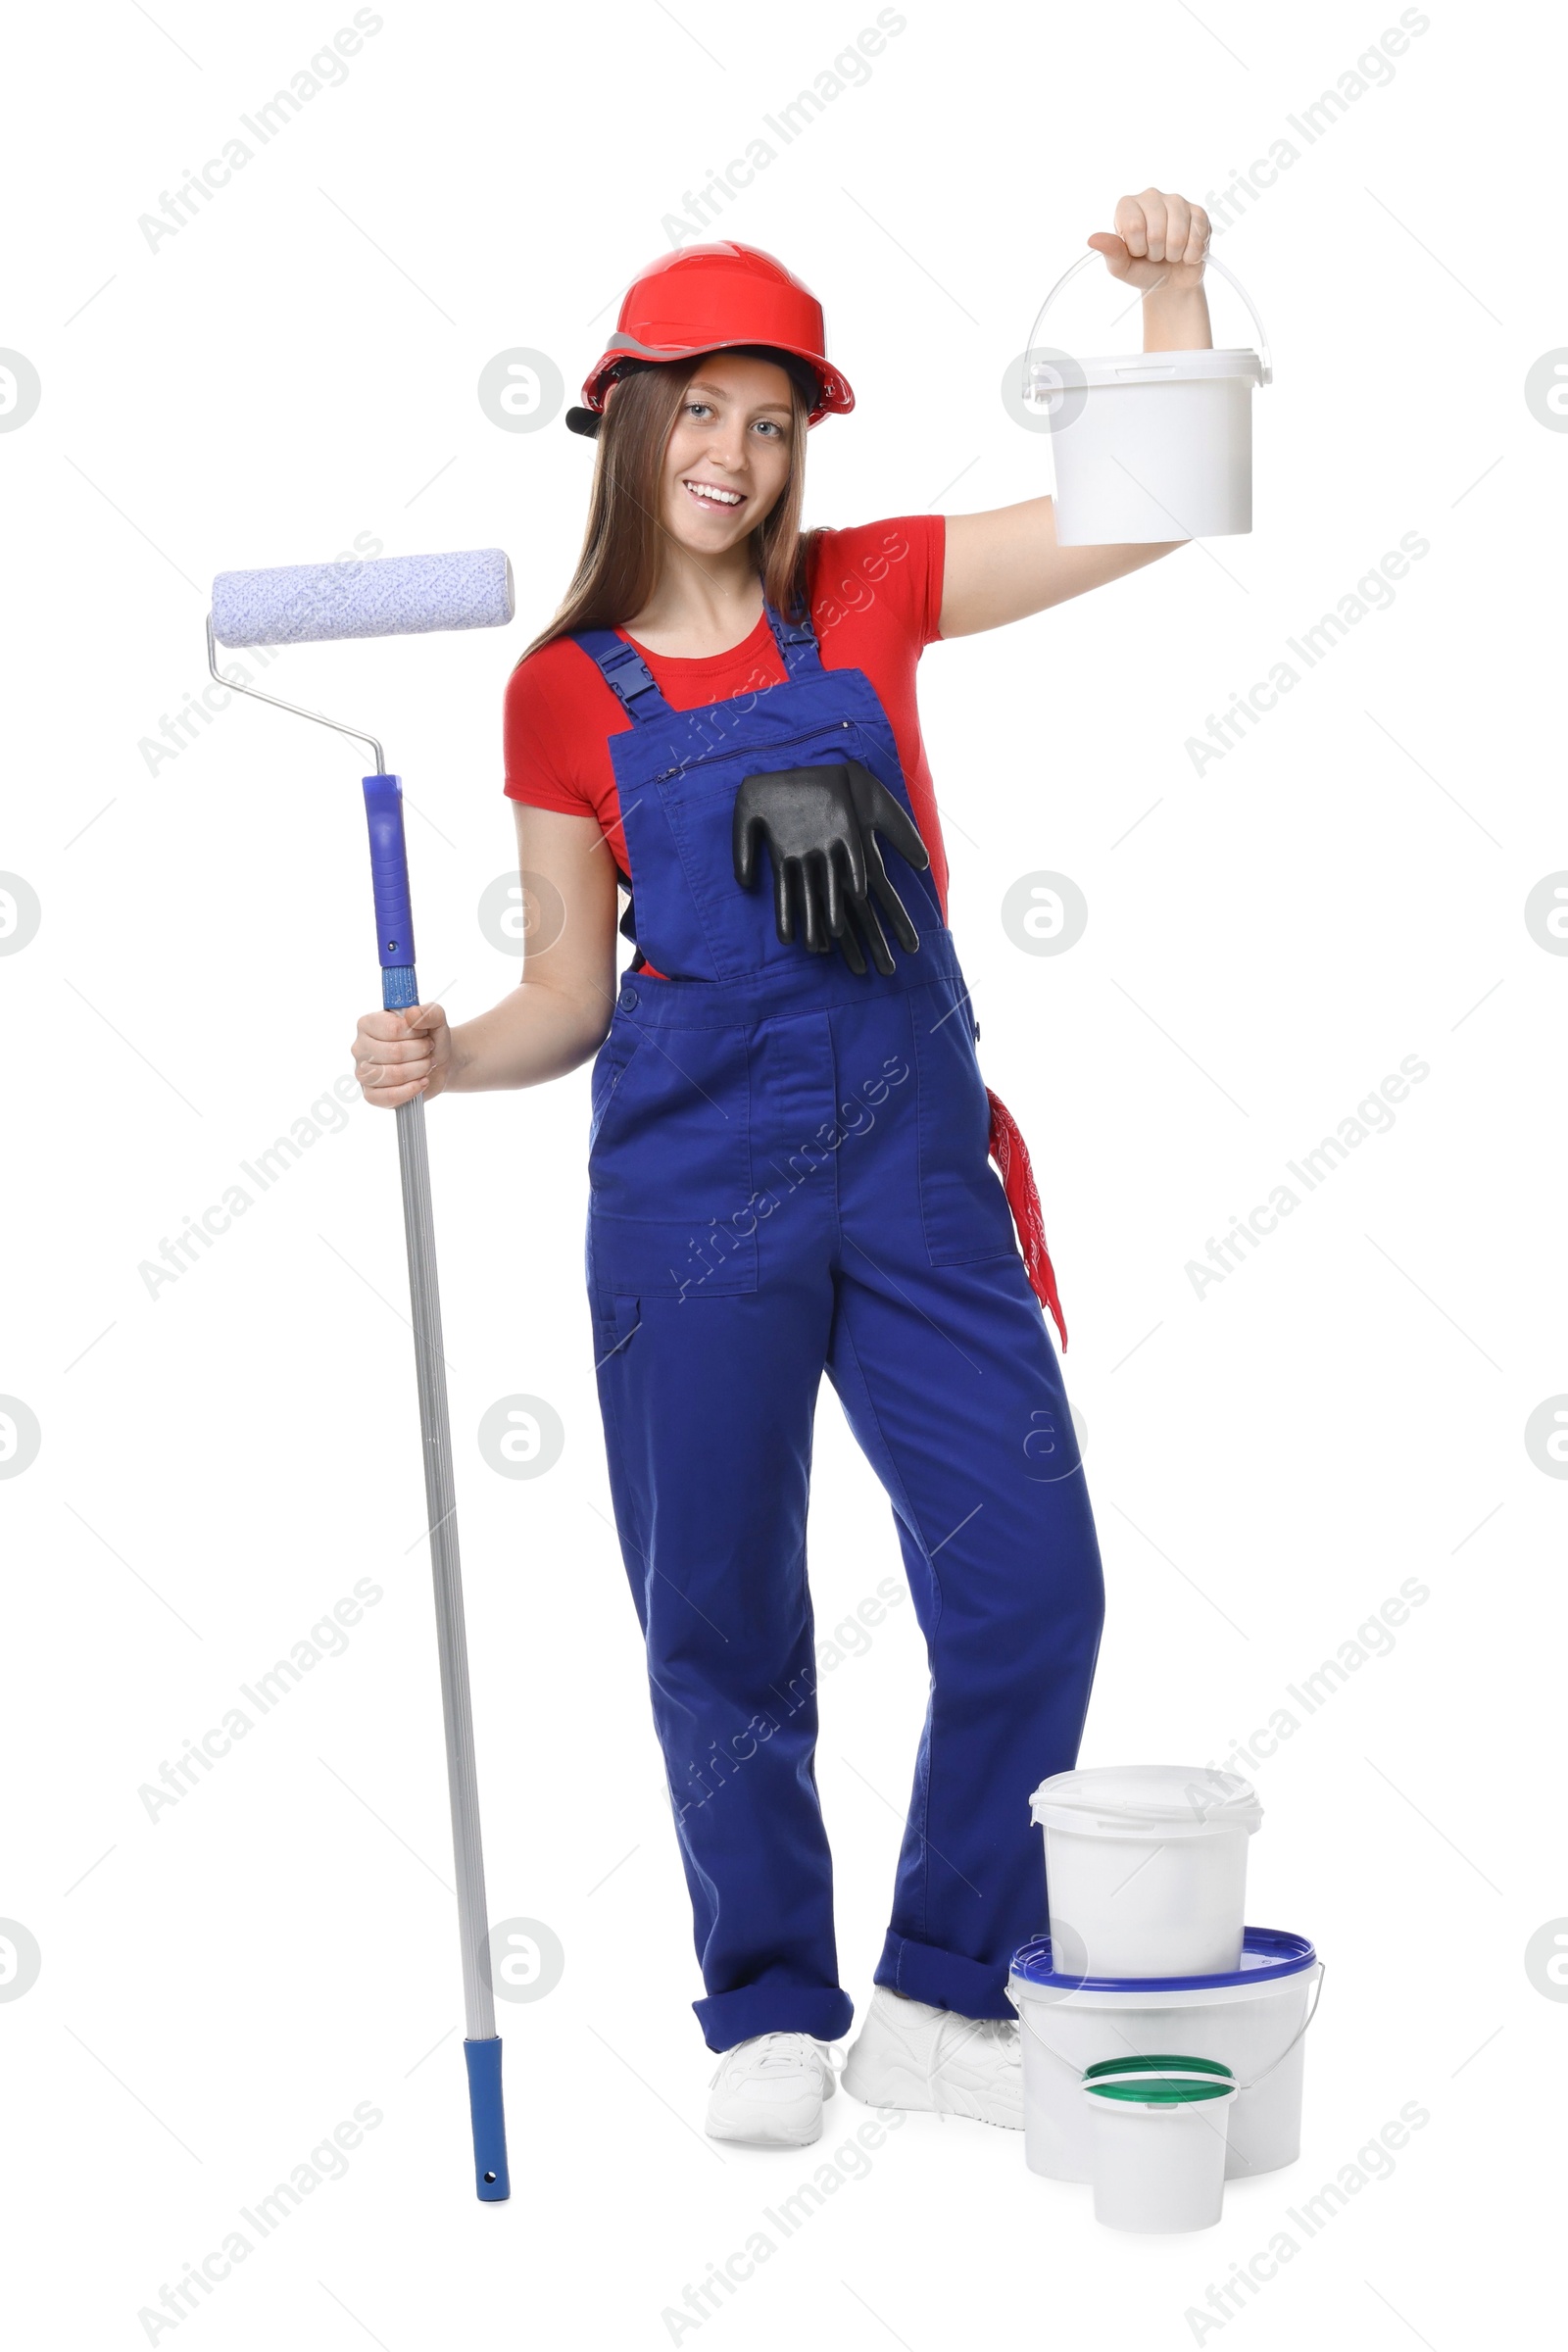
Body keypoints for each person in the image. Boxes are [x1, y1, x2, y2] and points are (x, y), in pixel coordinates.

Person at [354, 195, 1214, 2148]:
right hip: (689, 1180)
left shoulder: (875, 588)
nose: (731, 456)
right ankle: (764, 1997)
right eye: (696, 414)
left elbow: (1151, 505)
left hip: (913, 1172)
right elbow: (565, 986)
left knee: (1030, 1586)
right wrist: (444, 1056)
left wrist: (1165, 296)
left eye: (766, 419)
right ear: (627, 425)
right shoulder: (563, 692)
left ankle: (937, 1992)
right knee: (719, 1609)